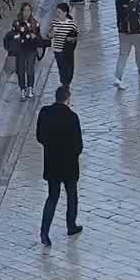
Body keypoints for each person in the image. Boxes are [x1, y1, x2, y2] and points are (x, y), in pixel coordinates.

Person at [36, 85, 83, 246]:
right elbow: (78, 146)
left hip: (51, 163)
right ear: (68, 99)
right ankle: (71, 225)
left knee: (52, 197)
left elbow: (40, 137)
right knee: (71, 196)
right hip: (69, 164)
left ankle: (44, 232)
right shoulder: (72, 117)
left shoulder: (45, 112)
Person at [7, 2, 46, 100]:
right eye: (25, 10)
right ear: (22, 11)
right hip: (20, 50)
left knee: (30, 69)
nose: (27, 12)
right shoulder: (16, 23)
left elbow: (39, 37)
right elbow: (14, 36)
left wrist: (35, 38)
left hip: (31, 49)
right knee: (20, 70)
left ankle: (30, 87)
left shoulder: (34, 23)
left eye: (29, 10)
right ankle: (22, 89)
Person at [47, 3, 78, 86]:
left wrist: (70, 39)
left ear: (65, 13)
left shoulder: (72, 24)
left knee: (69, 67)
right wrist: (51, 34)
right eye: (57, 12)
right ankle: (64, 83)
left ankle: (68, 81)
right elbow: (49, 35)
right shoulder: (54, 23)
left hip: (68, 50)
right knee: (62, 68)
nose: (57, 14)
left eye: (59, 12)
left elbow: (76, 36)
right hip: (58, 50)